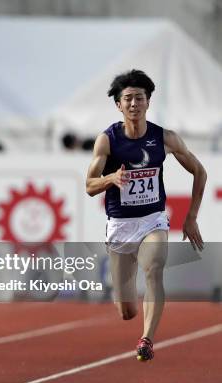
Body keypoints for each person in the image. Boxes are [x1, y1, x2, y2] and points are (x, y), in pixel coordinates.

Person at [86, 69, 206, 361]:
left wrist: (191, 217)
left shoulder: (164, 138)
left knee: (154, 269)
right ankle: (134, 310)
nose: (134, 104)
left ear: (148, 102)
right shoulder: (107, 140)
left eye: (139, 98)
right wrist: (110, 178)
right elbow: (89, 186)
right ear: (118, 105)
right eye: (127, 99)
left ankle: (147, 339)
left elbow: (200, 172)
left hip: (152, 219)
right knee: (126, 310)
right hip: (120, 225)